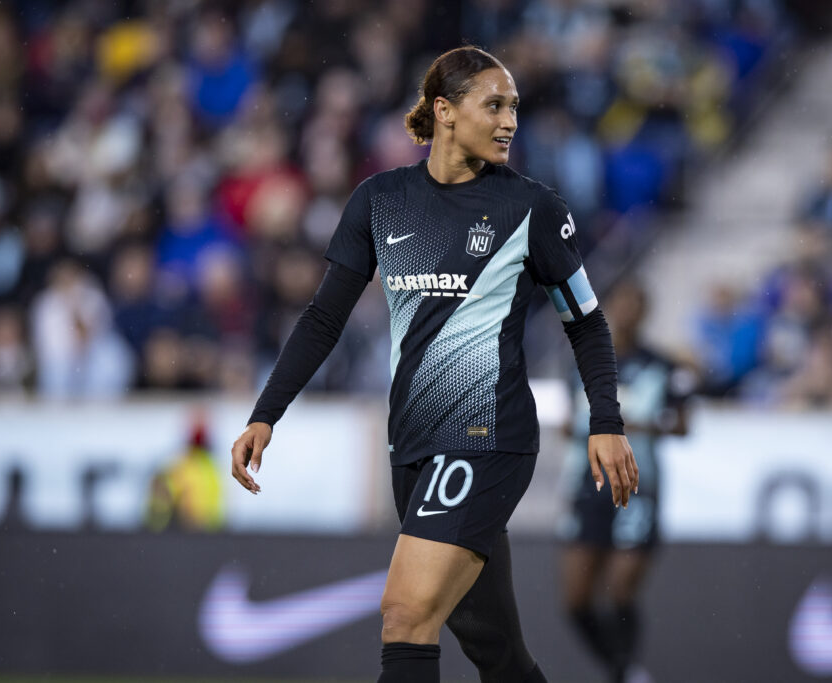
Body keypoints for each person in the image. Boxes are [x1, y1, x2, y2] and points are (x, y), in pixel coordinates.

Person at [230, 46, 638, 683]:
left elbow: (586, 323)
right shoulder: (381, 200)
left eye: (514, 109)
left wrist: (606, 421)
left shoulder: (531, 210)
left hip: (487, 439)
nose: (509, 122)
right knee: (495, 649)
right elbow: (322, 319)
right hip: (412, 444)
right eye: (493, 105)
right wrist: (266, 413)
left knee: (404, 614)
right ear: (444, 112)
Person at [560, 279, 693, 683]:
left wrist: (634, 428)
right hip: (589, 484)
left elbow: (683, 426)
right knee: (576, 600)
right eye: (622, 302)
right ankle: (622, 671)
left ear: (646, 311)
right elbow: (568, 424)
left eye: (637, 303)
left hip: (639, 487)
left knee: (620, 590)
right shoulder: (582, 362)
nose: (628, 311)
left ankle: (623, 673)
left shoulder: (665, 367)